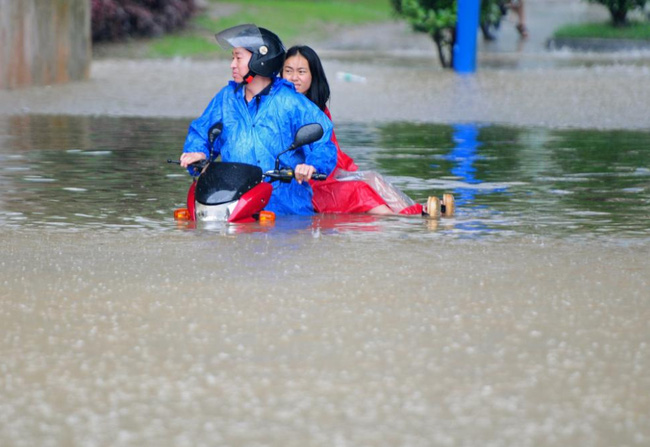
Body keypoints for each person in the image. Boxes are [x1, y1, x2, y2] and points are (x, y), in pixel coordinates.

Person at [180, 24, 337, 216]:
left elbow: (324, 144)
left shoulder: (292, 102)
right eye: (232, 58)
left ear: (261, 60)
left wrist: (311, 165)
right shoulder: (225, 98)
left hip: (285, 210)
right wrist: (197, 153)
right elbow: (201, 132)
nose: (232, 65)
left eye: (238, 58)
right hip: (232, 203)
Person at [282, 45, 424, 215]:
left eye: (301, 72)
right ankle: (403, 221)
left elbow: (327, 149)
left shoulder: (319, 110)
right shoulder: (280, 106)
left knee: (373, 178)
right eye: (288, 71)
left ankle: (414, 215)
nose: (294, 78)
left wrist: (319, 166)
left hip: (321, 171)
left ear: (313, 75)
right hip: (303, 181)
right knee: (360, 191)